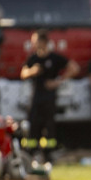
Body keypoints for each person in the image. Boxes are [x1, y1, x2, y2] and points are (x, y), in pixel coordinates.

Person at [21, 30, 78, 163]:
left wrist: (58, 81)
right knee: (33, 125)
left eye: (35, 41)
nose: (33, 44)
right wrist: (31, 71)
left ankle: (48, 155)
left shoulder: (54, 58)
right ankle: (31, 154)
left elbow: (74, 68)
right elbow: (23, 73)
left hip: (49, 98)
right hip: (35, 98)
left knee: (49, 127)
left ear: (43, 42)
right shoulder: (33, 59)